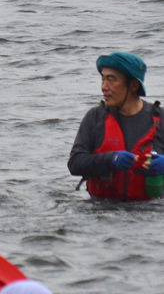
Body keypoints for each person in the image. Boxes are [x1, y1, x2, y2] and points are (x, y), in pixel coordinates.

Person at [68, 51, 164, 200]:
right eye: (103, 79)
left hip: (151, 213)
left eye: (111, 80)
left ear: (133, 85)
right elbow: (75, 164)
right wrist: (110, 159)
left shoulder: (160, 119)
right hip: (101, 210)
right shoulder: (94, 118)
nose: (104, 87)